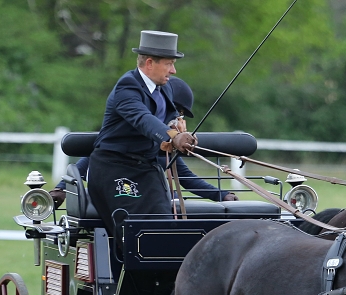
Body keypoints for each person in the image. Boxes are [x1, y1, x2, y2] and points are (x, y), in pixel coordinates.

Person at [86, 31, 233, 233]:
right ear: (149, 63)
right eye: (169, 63)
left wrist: (181, 131)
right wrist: (173, 136)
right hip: (115, 169)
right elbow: (144, 119)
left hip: (146, 169)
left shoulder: (164, 88)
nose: (173, 70)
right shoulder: (127, 87)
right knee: (136, 229)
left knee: (163, 223)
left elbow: (171, 119)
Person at [51, 76, 236, 208]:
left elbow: (187, 178)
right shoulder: (129, 138)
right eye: (177, 112)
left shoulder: (163, 148)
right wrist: (61, 188)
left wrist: (222, 195)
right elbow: (88, 162)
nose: (179, 120)